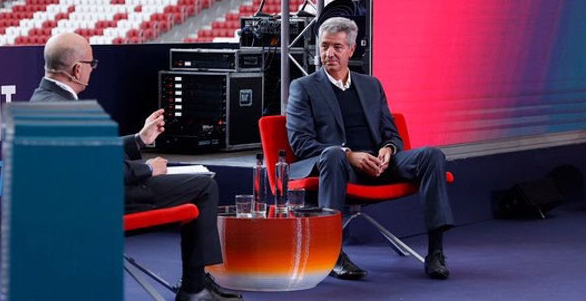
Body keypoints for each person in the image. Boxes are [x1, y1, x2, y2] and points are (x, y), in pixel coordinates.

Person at [30, 32, 242, 301]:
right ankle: (195, 287)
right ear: (76, 69)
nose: (92, 71)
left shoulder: (43, 100)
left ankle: (197, 284)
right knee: (204, 186)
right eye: (91, 65)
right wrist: (150, 169)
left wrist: (139, 140)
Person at [286, 17, 454, 280]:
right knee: (332, 155)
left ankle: (436, 252)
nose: (329, 54)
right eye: (324, 46)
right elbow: (301, 143)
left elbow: (391, 133)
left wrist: (388, 149)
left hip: (378, 164)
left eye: (337, 47)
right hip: (340, 167)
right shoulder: (303, 88)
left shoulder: (371, 85)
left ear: (351, 50)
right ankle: (333, 255)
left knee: (432, 155)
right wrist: (349, 155)